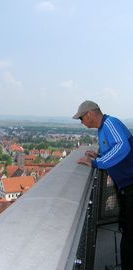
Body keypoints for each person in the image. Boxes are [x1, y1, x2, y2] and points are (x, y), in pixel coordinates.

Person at [73, 100, 133, 270]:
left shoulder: (109, 123)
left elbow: (123, 146)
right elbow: (115, 151)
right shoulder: (103, 129)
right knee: (127, 229)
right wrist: (98, 155)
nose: (81, 122)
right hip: (126, 187)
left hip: (131, 186)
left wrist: (95, 163)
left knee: (130, 236)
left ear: (90, 114)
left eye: (81, 118)